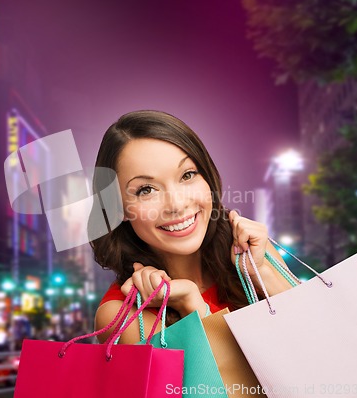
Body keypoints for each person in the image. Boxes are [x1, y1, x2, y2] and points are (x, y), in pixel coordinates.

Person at [91, 110, 295, 344]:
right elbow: (232, 380)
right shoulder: (123, 316)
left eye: (187, 175)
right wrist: (192, 304)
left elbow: (322, 334)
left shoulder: (251, 251)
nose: (177, 204)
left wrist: (262, 273)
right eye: (146, 190)